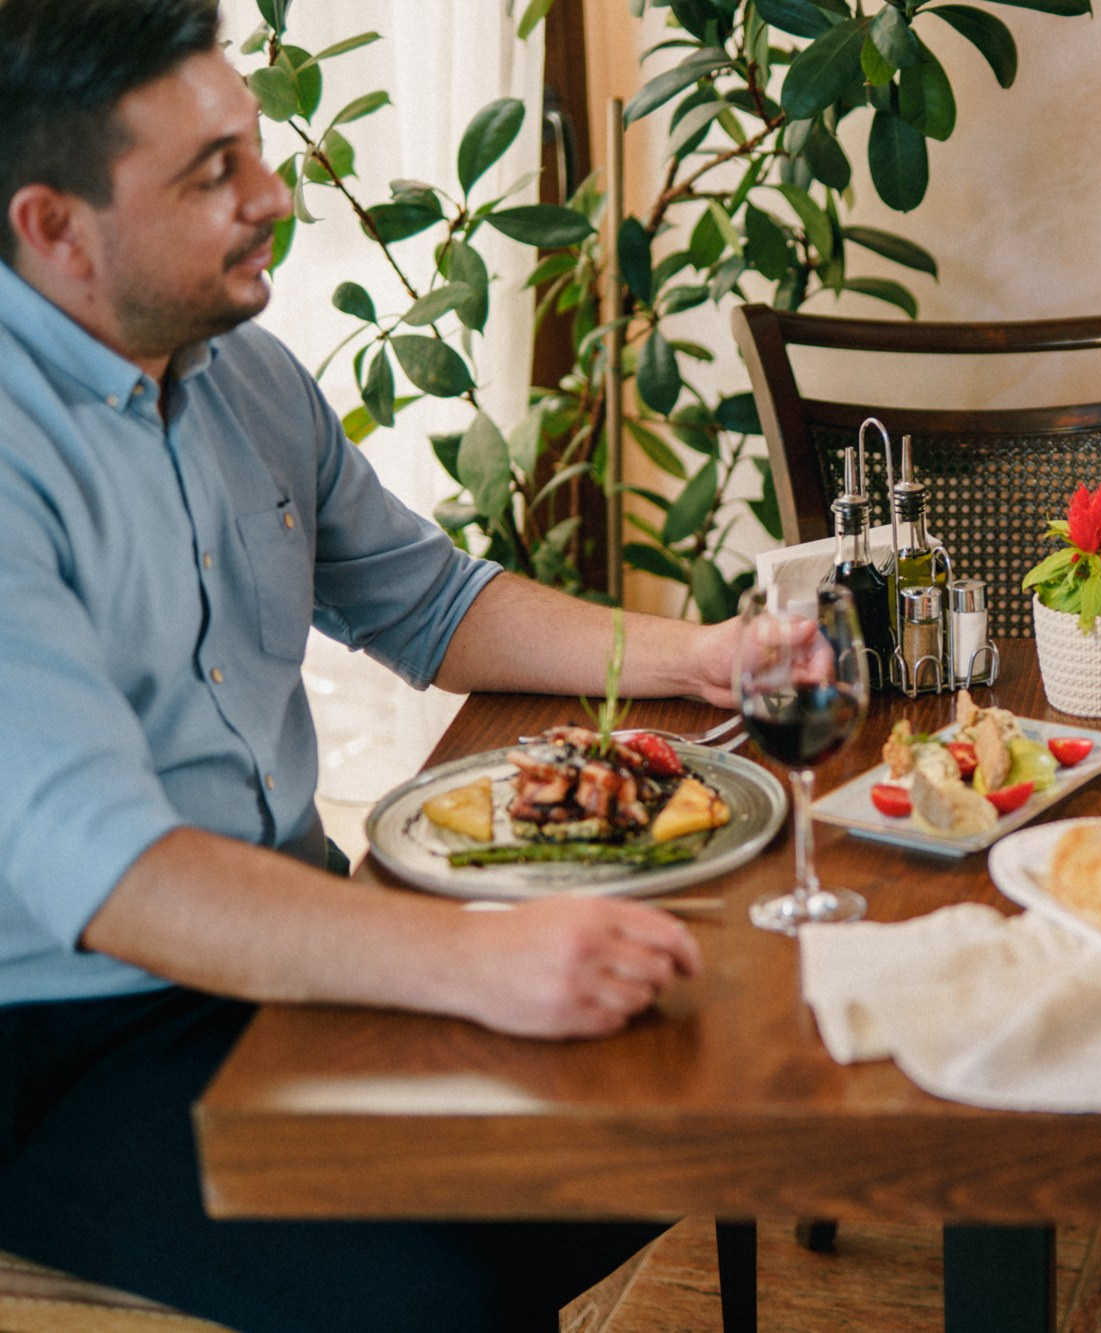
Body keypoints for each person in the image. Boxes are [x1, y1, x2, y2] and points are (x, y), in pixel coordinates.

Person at [0, 2, 742, 1327]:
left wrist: (701, 653)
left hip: (288, 937)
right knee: (428, 1291)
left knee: (684, 1097)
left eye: (253, 146)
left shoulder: (248, 373)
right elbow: (114, 871)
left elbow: (433, 604)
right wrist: (476, 961)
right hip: (62, 1033)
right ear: (55, 227)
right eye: (212, 173)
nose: (273, 195)